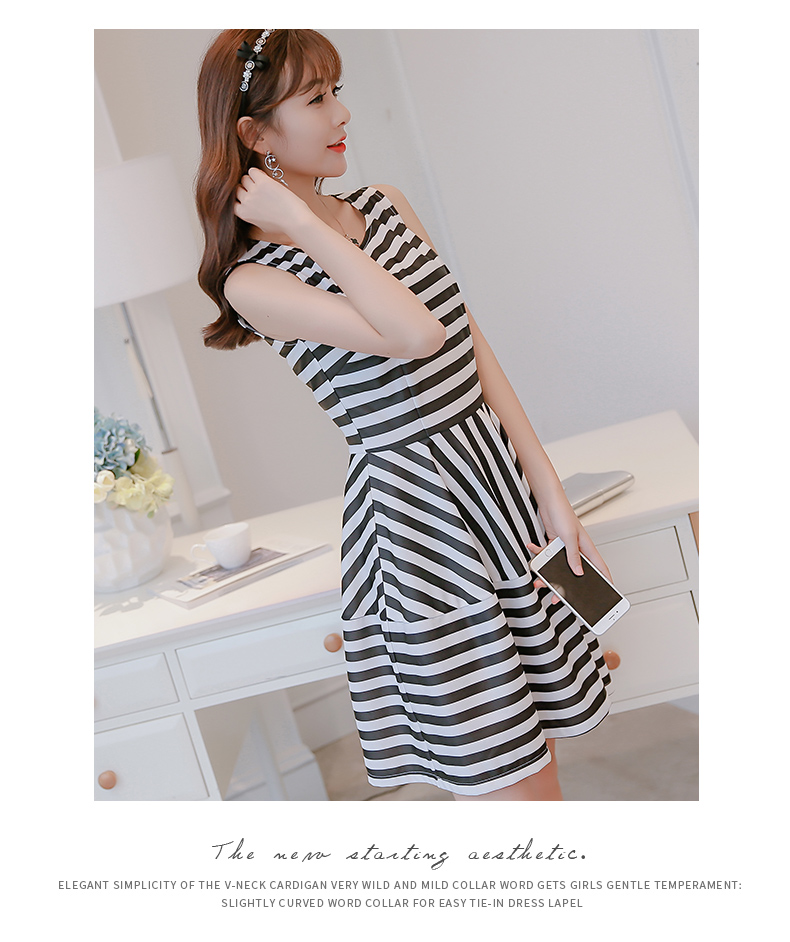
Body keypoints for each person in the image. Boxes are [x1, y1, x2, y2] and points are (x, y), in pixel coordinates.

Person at [195, 29, 613, 801]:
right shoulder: (254, 283)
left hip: (492, 485)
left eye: (337, 90)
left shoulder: (386, 206)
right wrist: (307, 225)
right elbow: (415, 334)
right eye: (316, 99)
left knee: (543, 752)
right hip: (423, 524)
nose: (342, 112)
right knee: (511, 778)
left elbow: (469, 344)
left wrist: (546, 484)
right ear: (256, 135)